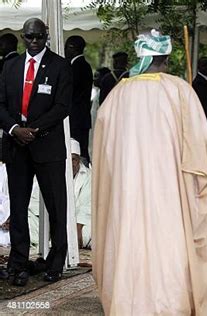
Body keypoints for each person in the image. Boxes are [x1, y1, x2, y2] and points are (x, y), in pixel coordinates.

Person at [92, 29, 207, 315]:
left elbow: (103, 148)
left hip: (129, 191)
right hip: (169, 192)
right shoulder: (180, 91)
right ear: (166, 55)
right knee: (169, 243)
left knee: (129, 240)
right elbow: (199, 149)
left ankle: (127, 303)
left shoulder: (119, 94)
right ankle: (171, 304)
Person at [0, 18, 72, 286]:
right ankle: (18, 262)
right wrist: (15, 128)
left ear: (46, 37)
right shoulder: (10, 66)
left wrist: (34, 129)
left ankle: (55, 263)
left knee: (56, 207)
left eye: (39, 37)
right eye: (29, 37)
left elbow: (62, 106)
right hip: (16, 146)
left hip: (48, 146)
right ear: (22, 37)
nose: (34, 42)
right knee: (18, 207)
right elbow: (1, 104)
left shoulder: (60, 66)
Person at [28, 139, 91, 249]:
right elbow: (33, 200)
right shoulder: (48, 174)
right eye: (67, 159)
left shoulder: (88, 176)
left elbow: (88, 206)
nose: (71, 164)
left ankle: (56, 244)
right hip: (49, 222)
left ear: (79, 160)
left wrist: (78, 226)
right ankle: (50, 244)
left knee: (94, 227)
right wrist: (51, 220)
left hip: (78, 223)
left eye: (74, 159)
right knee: (28, 217)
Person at [65, 35, 93, 164]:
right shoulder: (80, 65)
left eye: (66, 47)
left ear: (72, 48)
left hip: (76, 117)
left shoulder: (78, 66)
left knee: (78, 150)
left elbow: (71, 92)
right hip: (79, 117)